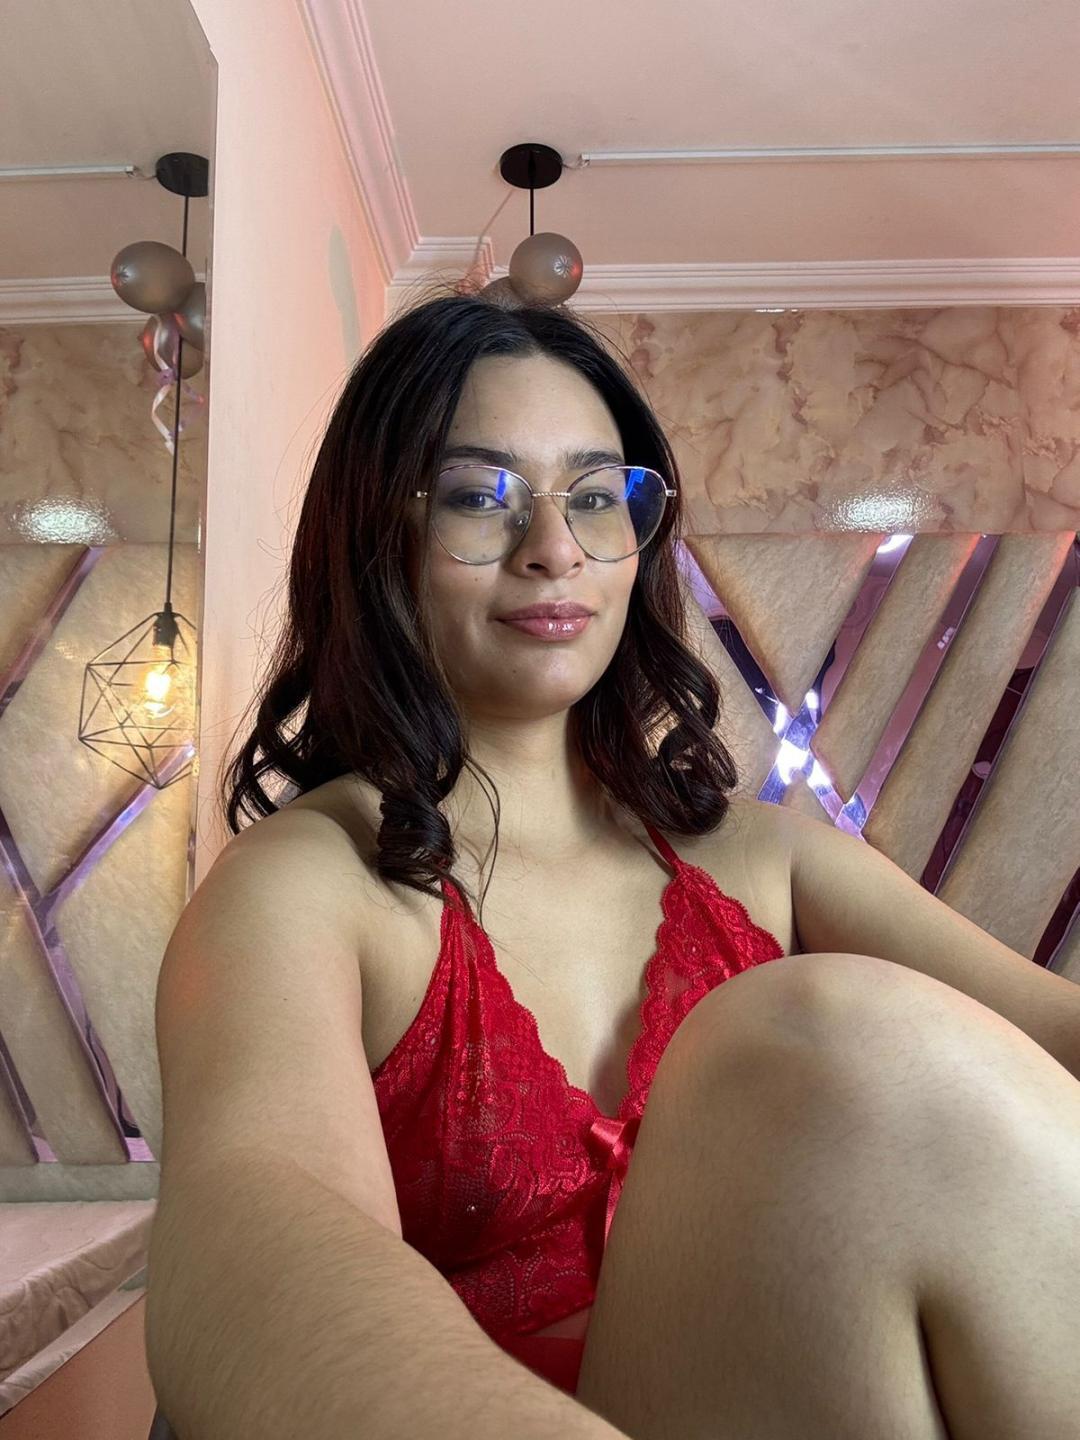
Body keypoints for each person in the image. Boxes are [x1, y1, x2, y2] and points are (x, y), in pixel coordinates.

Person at [146, 293, 1080, 1440]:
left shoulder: (767, 858)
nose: (556, 550)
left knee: (846, 1044)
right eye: (480, 496)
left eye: (595, 497)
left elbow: (1050, 1050)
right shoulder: (307, 884)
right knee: (805, 1035)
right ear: (376, 534)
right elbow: (254, 1238)